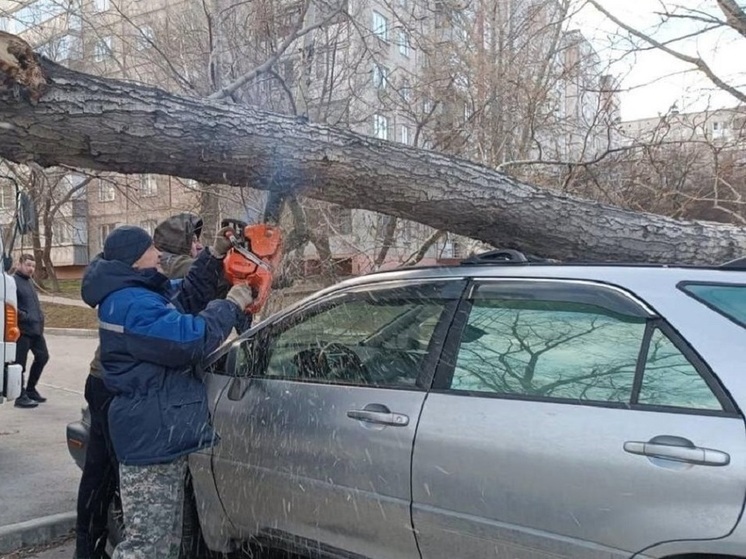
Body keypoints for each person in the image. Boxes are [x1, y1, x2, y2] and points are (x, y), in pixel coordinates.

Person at [80, 225, 253, 559]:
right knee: (147, 546)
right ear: (134, 261)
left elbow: (185, 296)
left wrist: (214, 257)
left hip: (159, 432)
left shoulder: (137, 292)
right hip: (150, 439)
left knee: (166, 543)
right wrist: (230, 306)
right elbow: (190, 341)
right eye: (149, 249)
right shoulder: (132, 305)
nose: (158, 254)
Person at [13, 253, 49, 409]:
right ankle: (19, 396)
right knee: (20, 364)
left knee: (43, 357)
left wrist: (39, 317)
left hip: (36, 329)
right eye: (28, 265)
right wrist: (24, 316)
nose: (31, 269)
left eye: (33, 266)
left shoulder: (29, 282)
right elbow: (10, 306)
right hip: (22, 330)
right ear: (19, 264)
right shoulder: (12, 282)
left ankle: (31, 389)